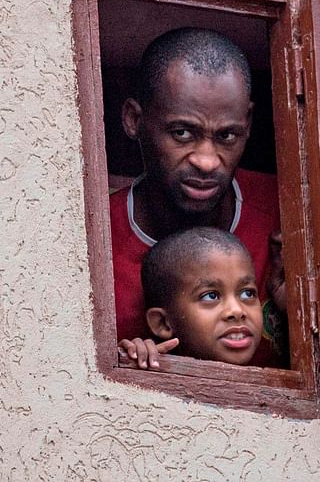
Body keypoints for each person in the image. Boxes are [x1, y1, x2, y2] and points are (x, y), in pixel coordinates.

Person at [110, 27, 285, 368]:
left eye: (226, 136)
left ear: (247, 124)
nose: (206, 160)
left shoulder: (288, 213)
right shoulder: (93, 245)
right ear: (134, 120)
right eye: (182, 133)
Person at [120, 227, 262, 368]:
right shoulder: (148, 368)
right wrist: (136, 359)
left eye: (247, 293)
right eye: (211, 296)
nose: (237, 311)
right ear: (163, 322)